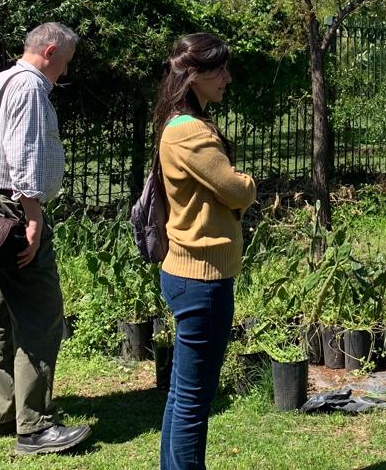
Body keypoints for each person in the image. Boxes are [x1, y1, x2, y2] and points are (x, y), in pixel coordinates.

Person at [0, 22, 90, 456]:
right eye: (66, 63)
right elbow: (25, 151)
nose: (64, 72)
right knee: (41, 313)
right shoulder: (32, 88)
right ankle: (35, 427)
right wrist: (32, 213)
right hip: (15, 210)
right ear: (51, 51)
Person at [154, 33, 257, 470]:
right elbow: (236, 189)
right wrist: (249, 182)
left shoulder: (180, 125)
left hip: (190, 273)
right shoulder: (190, 132)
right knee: (195, 400)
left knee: (184, 393)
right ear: (194, 75)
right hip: (202, 279)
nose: (227, 79)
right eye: (220, 70)